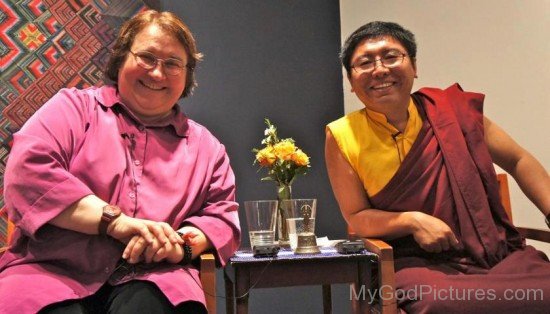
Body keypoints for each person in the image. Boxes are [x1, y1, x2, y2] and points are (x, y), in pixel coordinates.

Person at [0, 10, 240, 314]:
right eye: (147, 58)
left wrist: (181, 245)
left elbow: (222, 218)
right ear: (121, 59)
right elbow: (26, 173)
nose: (157, 73)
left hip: (153, 277)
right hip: (49, 272)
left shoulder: (207, 148)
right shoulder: (73, 110)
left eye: (172, 64)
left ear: (187, 74)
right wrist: (116, 223)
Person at [325, 21, 550, 313]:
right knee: (443, 305)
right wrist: (412, 220)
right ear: (351, 82)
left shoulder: (453, 111)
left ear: (414, 66)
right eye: (364, 63)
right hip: (412, 262)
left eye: (391, 57)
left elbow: (518, 160)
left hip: (495, 255)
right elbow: (357, 217)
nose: (379, 70)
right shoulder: (342, 135)